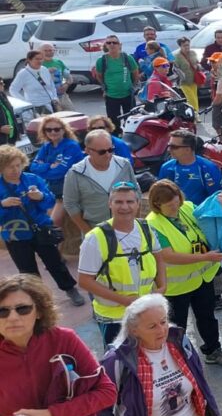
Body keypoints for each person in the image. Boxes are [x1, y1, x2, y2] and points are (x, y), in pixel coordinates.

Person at [0, 275, 116, 416]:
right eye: (2, 311)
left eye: (23, 309)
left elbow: (106, 392)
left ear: (39, 312)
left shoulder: (64, 340)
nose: (12, 317)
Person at [99, 295, 222, 416]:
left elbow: (199, 378)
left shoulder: (180, 341)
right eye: (152, 326)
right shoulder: (117, 360)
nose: (162, 330)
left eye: (163, 321)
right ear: (134, 330)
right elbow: (102, 406)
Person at [145, 180, 222, 367]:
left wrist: (221, 205)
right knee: (175, 326)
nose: (175, 206)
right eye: (169, 205)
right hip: (176, 287)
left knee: (207, 317)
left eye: (176, 201)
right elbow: (168, 256)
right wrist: (205, 258)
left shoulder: (187, 206)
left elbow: (209, 218)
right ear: (157, 205)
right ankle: (174, 361)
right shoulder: (152, 224)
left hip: (202, 279)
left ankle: (213, 350)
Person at [77, 183, 167, 346]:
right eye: (118, 202)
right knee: (121, 365)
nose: (124, 207)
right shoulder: (95, 238)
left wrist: (162, 288)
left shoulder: (146, 228)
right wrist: (125, 301)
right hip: (114, 319)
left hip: (146, 313)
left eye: (130, 202)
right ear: (109, 204)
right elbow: (85, 280)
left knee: (149, 357)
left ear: (138, 204)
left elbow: (159, 258)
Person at [1, 146, 83, 306]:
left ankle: (70, 289)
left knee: (55, 263)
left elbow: (50, 200)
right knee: (27, 270)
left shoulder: (32, 178)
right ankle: (37, 299)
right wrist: (3, 204)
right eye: (10, 166)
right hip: (15, 234)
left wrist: (40, 196)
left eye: (18, 165)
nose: (15, 169)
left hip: (41, 228)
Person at [62, 130, 136, 234]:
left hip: (126, 228)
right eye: (102, 152)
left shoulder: (124, 165)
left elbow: (136, 192)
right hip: (95, 230)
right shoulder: (75, 173)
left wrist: (134, 222)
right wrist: (88, 232)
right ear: (87, 151)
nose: (107, 155)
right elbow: (70, 204)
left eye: (110, 150)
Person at [30, 117, 84, 228]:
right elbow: (33, 167)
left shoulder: (71, 146)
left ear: (64, 130)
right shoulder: (46, 146)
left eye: (56, 129)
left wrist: (43, 168)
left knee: (52, 224)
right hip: (50, 191)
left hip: (68, 192)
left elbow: (59, 172)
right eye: (48, 130)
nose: (53, 132)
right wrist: (49, 165)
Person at [158, 129, 222, 207]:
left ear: (188, 149)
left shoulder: (208, 167)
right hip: (175, 214)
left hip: (201, 215)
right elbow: (161, 197)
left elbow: (217, 198)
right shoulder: (166, 168)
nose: (169, 150)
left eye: (174, 147)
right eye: (169, 146)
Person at [95, 35, 141, 121]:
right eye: (109, 43)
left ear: (120, 45)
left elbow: (135, 73)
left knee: (131, 121)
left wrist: (133, 86)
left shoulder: (127, 58)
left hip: (128, 95)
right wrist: (105, 88)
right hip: (111, 96)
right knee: (113, 122)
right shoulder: (101, 60)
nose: (112, 45)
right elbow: (99, 76)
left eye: (114, 43)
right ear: (106, 45)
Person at [40, 43, 73, 111]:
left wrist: (66, 84)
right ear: (40, 52)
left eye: (50, 50)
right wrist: (46, 72)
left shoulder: (59, 62)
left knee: (73, 115)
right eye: (45, 51)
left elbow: (69, 77)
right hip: (46, 99)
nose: (48, 53)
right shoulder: (37, 64)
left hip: (62, 96)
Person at [172, 37, 201, 113]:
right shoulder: (176, 56)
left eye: (188, 45)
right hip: (183, 81)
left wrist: (197, 66)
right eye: (184, 45)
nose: (187, 47)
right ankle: (195, 114)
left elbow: (198, 63)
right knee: (191, 98)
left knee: (194, 97)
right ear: (180, 46)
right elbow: (174, 69)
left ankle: (194, 114)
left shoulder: (193, 53)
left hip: (193, 79)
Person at [0, 79, 16, 146]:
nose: (3, 85)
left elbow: (10, 114)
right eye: (1, 83)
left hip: (10, 139)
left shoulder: (2, 95)